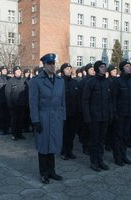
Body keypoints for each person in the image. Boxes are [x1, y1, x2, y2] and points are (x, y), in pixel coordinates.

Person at [29, 53, 66, 184]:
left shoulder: (60, 81)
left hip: (56, 116)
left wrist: (63, 117)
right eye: (49, 64)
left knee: (54, 145)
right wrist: (35, 120)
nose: (52, 66)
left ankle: (52, 171)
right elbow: (33, 102)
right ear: (44, 65)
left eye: (53, 63)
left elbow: (63, 101)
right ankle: (44, 173)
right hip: (43, 117)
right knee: (44, 146)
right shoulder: (36, 81)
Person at [83, 60, 112, 172]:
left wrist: (110, 114)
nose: (104, 68)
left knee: (102, 140)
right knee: (94, 140)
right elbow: (85, 101)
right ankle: (94, 162)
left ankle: (100, 160)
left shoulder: (107, 82)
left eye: (104, 67)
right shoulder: (90, 82)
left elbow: (110, 101)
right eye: (101, 67)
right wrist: (87, 117)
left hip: (104, 117)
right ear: (96, 69)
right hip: (94, 117)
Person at [111, 61, 131, 166]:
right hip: (120, 114)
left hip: (129, 114)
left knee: (125, 136)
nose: (129, 68)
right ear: (122, 68)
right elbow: (113, 99)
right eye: (127, 66)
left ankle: (124, 156)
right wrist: (115, 113)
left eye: (130, 66)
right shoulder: (117, 81)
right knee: (118, 136)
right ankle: (118, 158)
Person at [60, 63, 79, 160]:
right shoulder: (59, 82)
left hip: (73, 113)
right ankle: (63, 151)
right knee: (64, 133)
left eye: (70, 68)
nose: (69, 70)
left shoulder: (74, 82)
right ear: (63, 70)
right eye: (66, 68)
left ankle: (70, 151)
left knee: (71, 134)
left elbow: (78, 97)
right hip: (63, 113)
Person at [5, 66, 28, 140]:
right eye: (17, 71)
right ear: (14, 72)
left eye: (20, 71)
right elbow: (8, 94)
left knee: (21, 119)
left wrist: (26, 102)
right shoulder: (10, 81)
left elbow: (27, 92)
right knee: (14, 120)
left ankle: (20, 133)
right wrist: (9, 104)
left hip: (22, 104)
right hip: (14, 105)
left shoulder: (24, 80)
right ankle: (14, 134)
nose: (19, 72)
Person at [77, 63, 96, 155]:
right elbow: (80, 98)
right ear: (87, 71)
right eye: (91, 69)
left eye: (93, 69)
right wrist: (82, 110)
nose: (93, 71)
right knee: (86, 130)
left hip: (95, 110)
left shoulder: (97, 80)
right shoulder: (82, 82)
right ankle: (86, 146)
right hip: (85, 110)